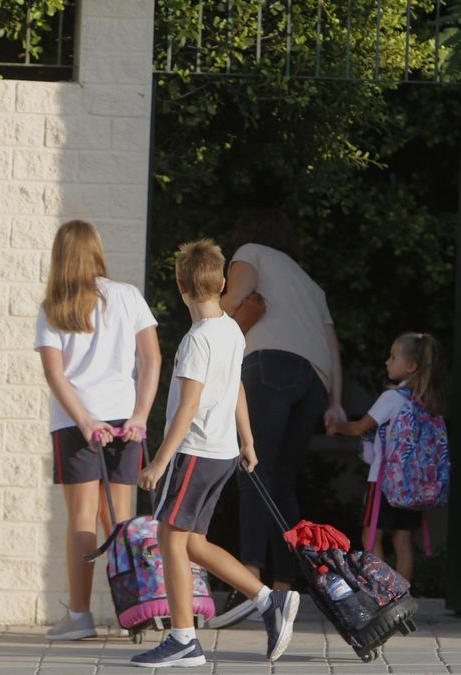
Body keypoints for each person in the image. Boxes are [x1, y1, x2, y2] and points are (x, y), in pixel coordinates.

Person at [132, 239, 299, 668]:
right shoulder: (229, 330)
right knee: (193, 542)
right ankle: (268, 600)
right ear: (223, 282)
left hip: (194, 452)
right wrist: (247, 440)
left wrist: (159, 461)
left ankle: (184, 639)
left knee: (169, 537)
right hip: (222, 453)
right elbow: (236, 386)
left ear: (180, 285)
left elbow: (188, 407)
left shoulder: (196, 341)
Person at [215, 209, 346, 623]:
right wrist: (336, 401)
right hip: (315, 381)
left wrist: (214, 308)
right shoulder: (310, 283)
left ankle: (249, 586)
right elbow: (332, 346)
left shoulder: (250, 252)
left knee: (253, 470)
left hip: (270, 363)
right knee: (282, 483)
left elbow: (232, 302)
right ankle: (285, 589)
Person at [36, 220, 162, 641]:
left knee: (82, 519)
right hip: (126, 422)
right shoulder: (127, 297)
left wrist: (86, 421)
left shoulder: (54, 306)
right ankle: (134, 610)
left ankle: (79, 616)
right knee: (121, 520)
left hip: (77, 423)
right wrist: (140, 415)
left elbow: (55, 375)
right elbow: (152, 359)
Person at [325, 332, 446, 581]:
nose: (387, 362)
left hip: (383, 481)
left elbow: (360, 428)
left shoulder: (392, 398)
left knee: (371, 536)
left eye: (393, 357)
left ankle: (379, 592)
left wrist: (336, 426)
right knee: (402, 539)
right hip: (414, 484)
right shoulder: (426, 401)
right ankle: (402, 596)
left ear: (411, 366)